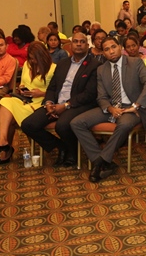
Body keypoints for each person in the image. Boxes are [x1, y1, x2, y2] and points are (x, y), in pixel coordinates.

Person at [71, 36, 146, 183]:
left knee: (123, 124)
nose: (111, 51)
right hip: (112, 107)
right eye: (106, 49)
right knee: (76, 123)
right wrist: (110, 108)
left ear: (120, 47)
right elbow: (101, 96)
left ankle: (100, 162)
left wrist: (136, 105)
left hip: (132, 108)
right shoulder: (101, 70)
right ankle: (100, 160)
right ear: (103, 53)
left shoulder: (135, 63)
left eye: (113, 47)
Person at [22, 32, 100, 168]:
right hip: (56, 104)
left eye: (82, 42)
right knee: (28, 124)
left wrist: (66, 105)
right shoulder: (62, 64)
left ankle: (73, 153)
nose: (79, 44)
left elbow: (89, 94)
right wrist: (49, 103)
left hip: (78, 105)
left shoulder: (94, 65)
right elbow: (52, 87)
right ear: (71, 45)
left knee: (62, 125)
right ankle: (61, 146)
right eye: (75, 41)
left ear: (87, 46)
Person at [0, 42, 55, 164]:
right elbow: (23, 82)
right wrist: (22, 88)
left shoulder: (53, 68)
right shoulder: (27, 64)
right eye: (30, 58)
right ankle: (3, 140)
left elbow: (56, 92)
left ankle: (6, 148)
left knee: (10, 118)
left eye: (34, 58)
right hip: (24, 99)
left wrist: (41, 93)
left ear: (42, 56)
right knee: (5, 101)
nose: (32, 61)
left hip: (40, 102)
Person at [0, 36, 16, 119]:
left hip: (1, 86)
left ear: (6, 46)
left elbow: (6, 78)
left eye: (1, 45)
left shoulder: (11, 60)